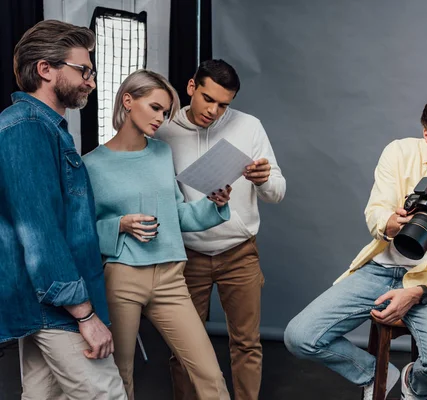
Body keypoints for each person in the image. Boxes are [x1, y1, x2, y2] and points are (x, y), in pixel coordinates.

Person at [284, 92, 427, 400]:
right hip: (380, 269)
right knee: (300, 337)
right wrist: (389, 223)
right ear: (425, 134)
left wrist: (418, 293)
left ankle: (412, 385)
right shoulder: (399, 153)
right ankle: (378, 376)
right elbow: (376, 210)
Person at [82, 69, 232, 400]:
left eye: (165, 112)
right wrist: (119, 224)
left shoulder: (162, 153)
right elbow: (80, 232)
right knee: (120, 376)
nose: (161, 118)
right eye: (154, 107)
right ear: (128, 101)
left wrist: (213, 204)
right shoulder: (91, 165)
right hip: (122, 278)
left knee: (209, 374)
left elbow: (176, 214)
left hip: (171, 277)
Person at [0, 20, 127, 399]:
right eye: (83, 70)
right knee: (106, 394)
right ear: (45, 69)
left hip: (49, 302)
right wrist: (85, 315)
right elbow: (40, 232)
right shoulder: (26, 128)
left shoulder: (47, 127)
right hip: (58, 306)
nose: (90, 80)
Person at [155, 59, 286, 400]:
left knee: (246, 343)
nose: (213, 111)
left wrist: (265, 179)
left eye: (224, 105)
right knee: (184, 348)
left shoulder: (249, 127)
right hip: (186, 255)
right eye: (207, 99)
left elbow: (277, 192)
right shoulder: (164, 130)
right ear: (190, 88)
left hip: (239, 252)